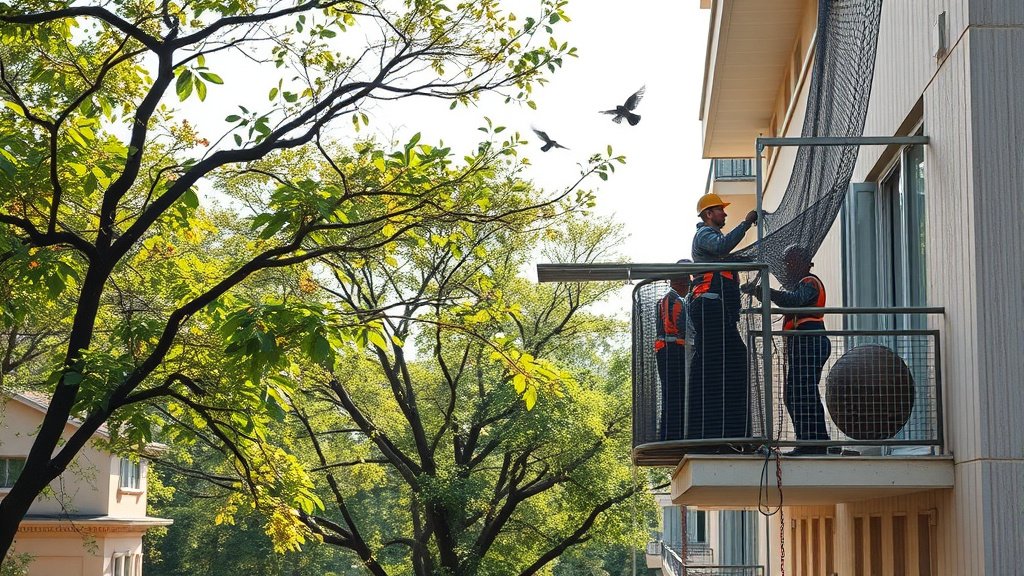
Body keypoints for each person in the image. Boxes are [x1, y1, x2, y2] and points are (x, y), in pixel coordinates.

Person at [743, 244, 831, 455]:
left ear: (801, 263)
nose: (787, 267)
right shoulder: (801, 284)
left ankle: (813, 443)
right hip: (804, 342)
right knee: (797, 393)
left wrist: (764, 291)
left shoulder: (809, 283)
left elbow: (794, 301)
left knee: (803, 393)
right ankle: (814, 440)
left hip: (811, 339)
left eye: (789, 262)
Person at [687, 193, 758, 443]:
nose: (725, 214)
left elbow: (725, 256)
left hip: (718, 309)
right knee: (718, 363)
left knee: (732, 360)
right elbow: (722, 247)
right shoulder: (706, 235)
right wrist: (747, 222)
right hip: (709, 305)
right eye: (720, 210)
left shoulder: (713, 237)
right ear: (709, 214)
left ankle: (730, 429)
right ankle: (713, 429)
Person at [655, 266, 691, 441]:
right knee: (676, 393)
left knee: (669, 394)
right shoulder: (676, 300)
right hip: (674, 350)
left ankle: (668, 434)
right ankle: (674, 435)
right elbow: (683, 328)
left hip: (664, 350)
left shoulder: (663, 300)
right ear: (680, 281)